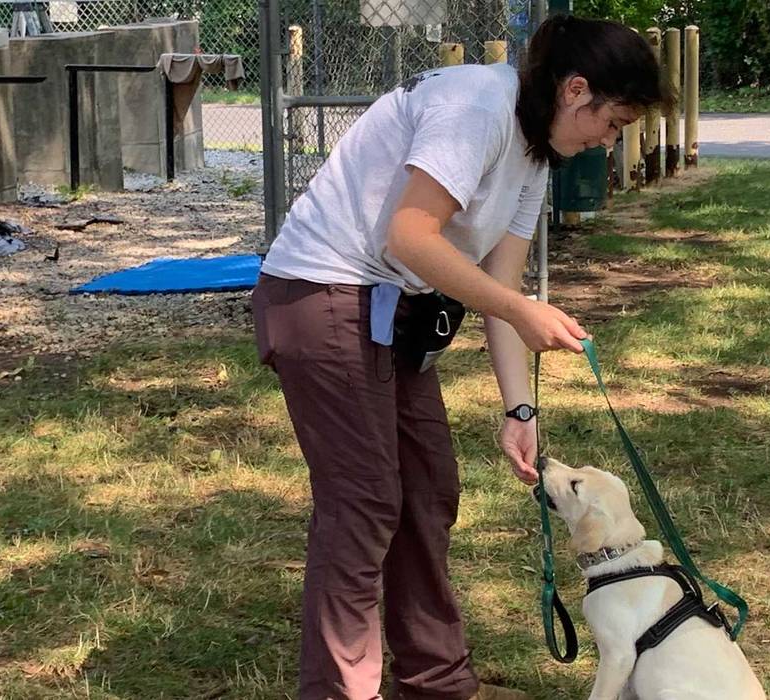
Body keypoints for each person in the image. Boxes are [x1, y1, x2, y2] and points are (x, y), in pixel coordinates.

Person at [252, 15, 670, 700]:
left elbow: (501, 285)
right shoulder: (476, 106)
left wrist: (520, 410)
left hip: (393, 308)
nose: (608, 140)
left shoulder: (534, 152)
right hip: (321, 291)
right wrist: (520, 311)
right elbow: (410, 237)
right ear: (574, 89)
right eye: (613, 121)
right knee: (365, 502)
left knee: (428, 491)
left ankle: (437, 683)